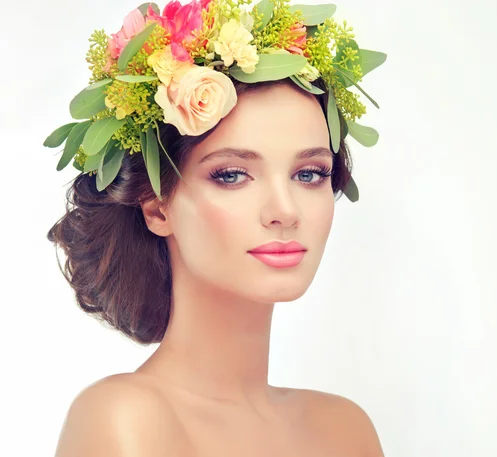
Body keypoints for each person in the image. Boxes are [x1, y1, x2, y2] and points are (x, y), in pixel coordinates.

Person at [44, 1, 387, 455]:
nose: (285, 211)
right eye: (231, 175)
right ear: (156, 207)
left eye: (309, 174)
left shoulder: (346, 430)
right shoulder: (125, 423)